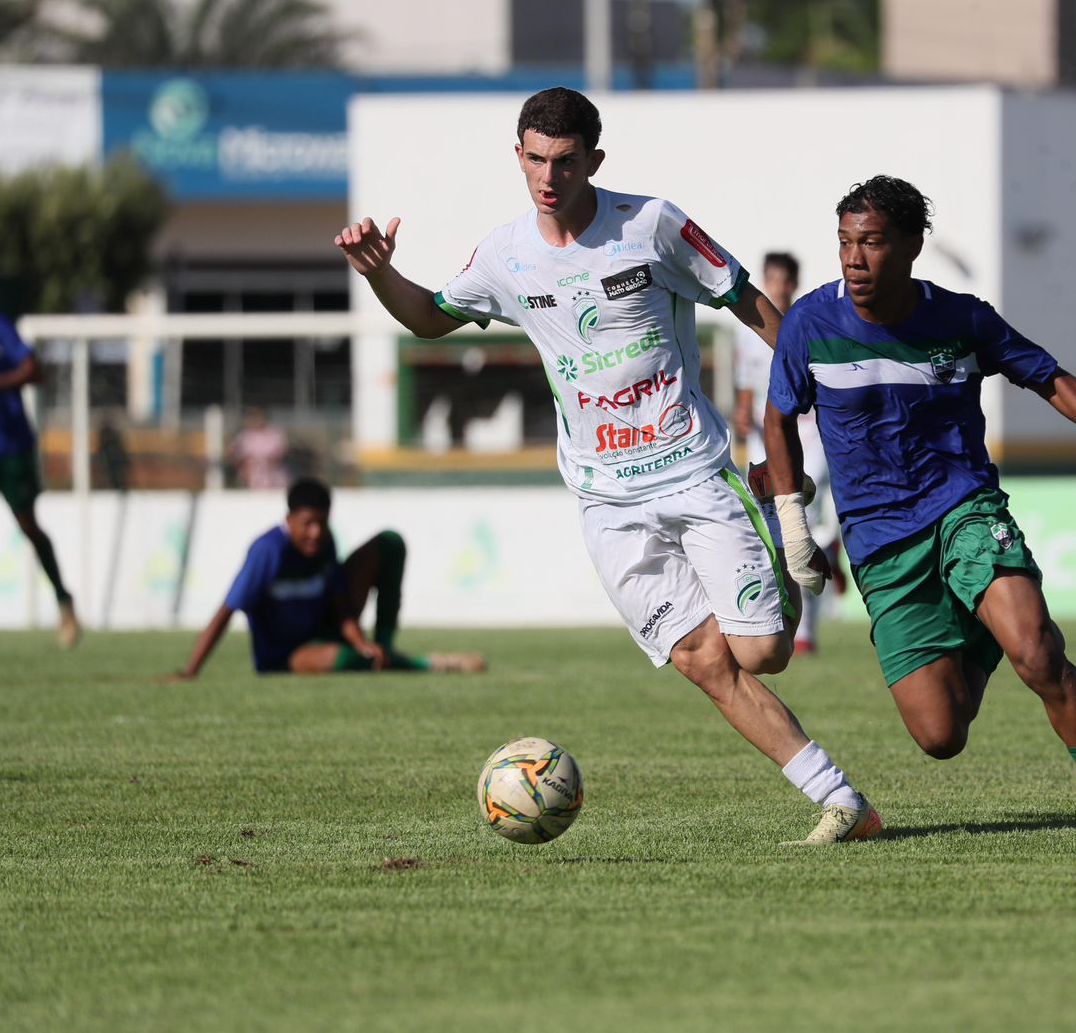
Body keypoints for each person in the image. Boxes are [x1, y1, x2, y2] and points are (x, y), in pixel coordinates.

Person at [333, 87, 879, 844]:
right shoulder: (505, 255)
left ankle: (769, 533)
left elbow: (747, 302)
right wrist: (377, 273)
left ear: (593, 159)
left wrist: (811, 396)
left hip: (692, 470)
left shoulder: (652, 226)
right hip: (604, 500)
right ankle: (843, 802)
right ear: (517, 156)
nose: (547, 177)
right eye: (533, 160)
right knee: (700, 659)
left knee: (761, 652)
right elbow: (430, 317)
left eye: (562, 161)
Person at [764, 175, 1076, 856]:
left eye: (871, 243)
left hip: (965, 508)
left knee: (1039, 654)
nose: (854, 259)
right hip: (880, 543)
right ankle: (980, 636)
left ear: (913, 245)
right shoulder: (811, 323)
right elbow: (778, 419)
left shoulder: (961, 319)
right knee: (939, 736)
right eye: (844, 243)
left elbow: (1047, 375)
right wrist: (793, 523)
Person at [164, 477, 486, 680]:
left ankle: (384, 649)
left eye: (322, 523)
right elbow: (227, 610)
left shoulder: (326, 542)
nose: (315, 533)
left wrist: (364, 643)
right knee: (344, 660)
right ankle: (414, 664)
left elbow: (340, 603)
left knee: (389, 542)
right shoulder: (268, 551)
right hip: (287, 654)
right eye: (307, 523)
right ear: (289, 519)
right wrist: (191, 670)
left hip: (328, 629)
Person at [732, 251, 841, 655]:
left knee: (802, 521)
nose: (777, 286)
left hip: (808, 435)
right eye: (771, 279)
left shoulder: (807, 324)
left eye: (784, 280)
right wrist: (742, 412)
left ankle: (806, 631)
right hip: (766, 435)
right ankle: (780, 613)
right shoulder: (748, 331)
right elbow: (747, 383)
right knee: (770, 526)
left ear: (794, 283)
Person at [0, 310, 80, 648]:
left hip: (11, 447)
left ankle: (64, 603)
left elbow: (34, 370)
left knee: (28, 526)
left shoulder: (0, 326)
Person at [230, 407, 290, 490]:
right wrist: (243, 463)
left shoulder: (275, 434)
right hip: (250, 480)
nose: (254, 420)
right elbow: (234, 456)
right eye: (251, 418)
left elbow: (281, 455)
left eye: (257, 417)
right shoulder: (243, 436)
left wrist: (270, 461)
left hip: (274, 479)